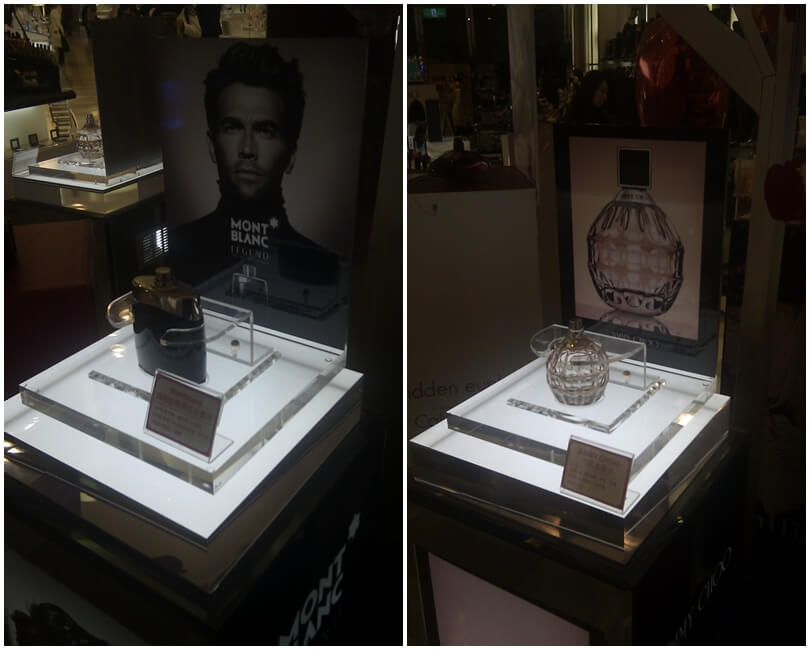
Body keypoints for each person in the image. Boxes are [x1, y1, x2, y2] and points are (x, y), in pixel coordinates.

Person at [170, 42, 337, 287]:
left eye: (265, 130)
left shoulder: (322, 267)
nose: (247, 149)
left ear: (291, 155)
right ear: (212, 146)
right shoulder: (181, 247)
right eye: (233, 127)